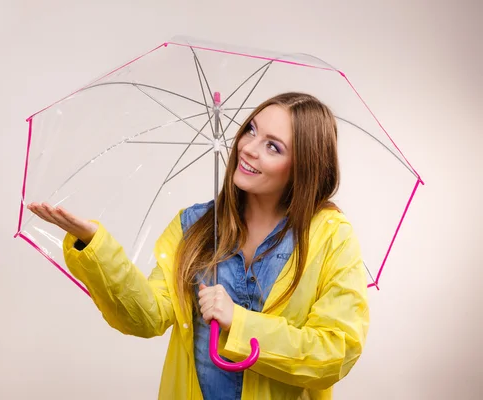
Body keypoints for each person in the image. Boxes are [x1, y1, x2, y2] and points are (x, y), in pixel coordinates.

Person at [27, 92, 370, 399]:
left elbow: (335, 352)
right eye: (251, 129)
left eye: (273, 146)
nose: (248, 148)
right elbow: (145, 317)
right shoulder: (194, 225)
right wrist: (94, 244)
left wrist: (239, 321)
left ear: (302, 168)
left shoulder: (329, 237)